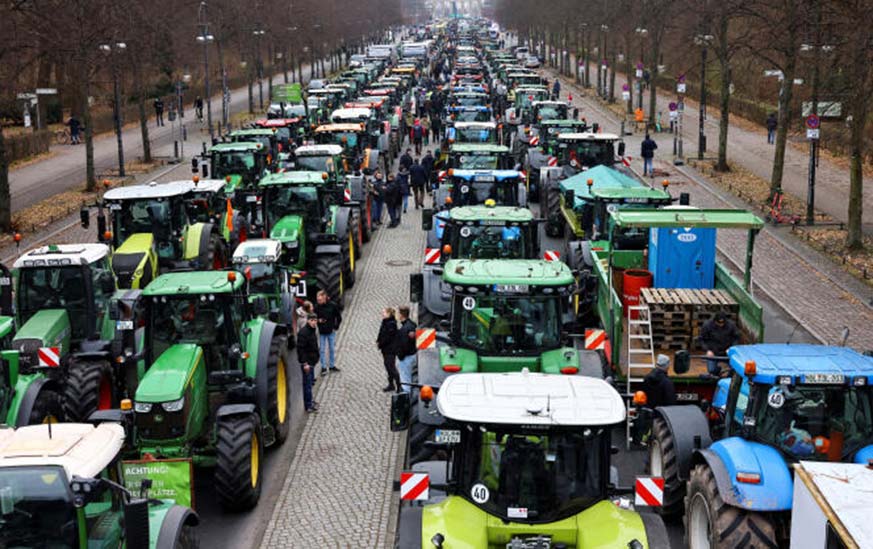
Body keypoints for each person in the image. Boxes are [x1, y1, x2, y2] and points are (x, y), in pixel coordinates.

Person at [699, 312, 741, 376]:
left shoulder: (731, 325)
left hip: (727, 351)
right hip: (713, 352)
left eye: (722, 323)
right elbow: (702, 339)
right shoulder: (707, 325)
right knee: (712, 371)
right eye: (719, 323)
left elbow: (736, 338)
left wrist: (731, 348)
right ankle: (718, 370)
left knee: (735, 369)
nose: (721, 324)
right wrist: (708, 350)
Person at [315, 290, 342, 375]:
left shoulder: (332, 306)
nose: (318, 301)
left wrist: (336, 326)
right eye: (317, 300)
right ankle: (323, 367)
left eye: (320, 300)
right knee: (322, 350)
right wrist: (318, 321)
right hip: (322, 332)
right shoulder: (317, 307)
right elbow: (312, 318)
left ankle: (331, 365)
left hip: (331, 331)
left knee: (332, 349)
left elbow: (339, 317)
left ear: (324, 297)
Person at [297, 314, 320, 413]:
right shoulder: (303, 333)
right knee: (307, 385)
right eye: (312, 320)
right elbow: (300, 349)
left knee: (310, 384)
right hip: (307, 362)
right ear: (308, 321)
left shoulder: (312, 330)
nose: (314, 322)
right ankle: (308, 405)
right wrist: (305, 363)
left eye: (315, 320)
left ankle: (310, 401)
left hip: (312, 361)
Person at [377, 307, 401, 392]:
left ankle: (399, 385)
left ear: (389, 314)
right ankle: (391, 385)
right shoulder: (385, 322)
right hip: (385, 349)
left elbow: (388, 338)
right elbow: (381, 332)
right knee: (388, 367)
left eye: (384, 313)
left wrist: (381, 343)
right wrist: (378, 340)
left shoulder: (391, 324)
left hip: (390, 350)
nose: (382, 314)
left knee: (391, 368)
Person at [395, 306, 417, 393]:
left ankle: (406, 398)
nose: (396, 315)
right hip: (413, 354)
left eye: (397, 313)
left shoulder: (403, 330)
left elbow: (403, 346)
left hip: (406, 358)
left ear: (401, 315)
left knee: (406, 382)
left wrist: (400, 356)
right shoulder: (412, 324)